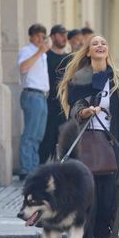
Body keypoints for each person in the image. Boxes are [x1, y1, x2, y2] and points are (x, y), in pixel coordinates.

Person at [58, 34, 119, 238]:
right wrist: (86, 111)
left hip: (110, 144)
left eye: (103, 43)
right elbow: (75, 108)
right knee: (87, 199)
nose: (100, 45)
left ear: (107, 51)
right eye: (95, 43)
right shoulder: (80, 78)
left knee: (107, 198)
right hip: (85, 143)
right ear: (88, 52)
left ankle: (102, 234)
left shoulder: (116, 79)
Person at [18, 23, 50, 181]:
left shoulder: (43, 54)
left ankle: (33, 168)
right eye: (37, 35)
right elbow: (23, 67)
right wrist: (39, 52)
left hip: (42, 96)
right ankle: (25, 168)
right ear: (31, 36)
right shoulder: (27, 50)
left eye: (43, 35)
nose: (40, 38)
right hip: (32, 94)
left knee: (38, 135)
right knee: (30, 133)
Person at [39, 24, 69, 163]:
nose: (64, 37)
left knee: (65, 140)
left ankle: (63, 173)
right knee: (47, 139)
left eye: (65, 34)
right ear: (52, 36)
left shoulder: (69, 58)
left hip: (65, 105)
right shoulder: (45, 56)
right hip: (48, 103)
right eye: (60, 34)